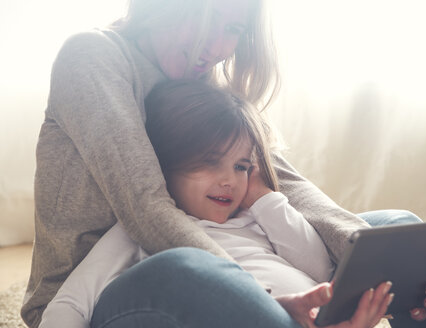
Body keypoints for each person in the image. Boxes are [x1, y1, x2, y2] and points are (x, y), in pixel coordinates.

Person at [22, 0, 426, 327]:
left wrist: (372, 259)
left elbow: (281, 181)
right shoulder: (95, 57)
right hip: (101, 294)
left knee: (395, 226)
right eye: (207, 17)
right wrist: (263, 301)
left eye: (233, 28)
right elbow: (145, 205)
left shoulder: (210, 87)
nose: (217, 45)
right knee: (189, 267)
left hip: (225, 271)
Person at [39, 79, 394, 328]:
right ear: (165, 166)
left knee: (398, 222)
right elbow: (70, 304)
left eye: (241, 166)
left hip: (309, 318)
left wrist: (265, 199)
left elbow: (321, 269)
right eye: (211, 162)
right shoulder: (141, 231)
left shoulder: (256, 218)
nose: (229, 180)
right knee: (192, 264)